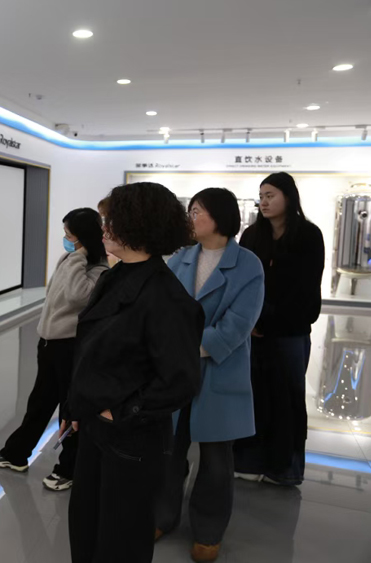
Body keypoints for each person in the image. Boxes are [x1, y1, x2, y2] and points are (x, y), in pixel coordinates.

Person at [62, 182, 204, 563]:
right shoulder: (113, 276)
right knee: (85, 527)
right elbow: (92, 350)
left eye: (112, 221)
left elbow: (181, 381)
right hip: (95, 428)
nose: (104, 229)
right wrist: (77, 404)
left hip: (131, 440)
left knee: (120, 541)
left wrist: (122, 411)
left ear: (140, 225)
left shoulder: (167, 297)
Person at [157, 188, 264, 563]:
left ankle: (208, 530)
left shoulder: (248, 264)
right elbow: (162, 310)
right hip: (176, 372)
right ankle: (162, 515)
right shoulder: (181, 258)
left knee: (217, 460)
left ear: (220, 215)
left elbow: (237, 326)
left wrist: (182, 345)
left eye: (196, 211)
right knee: (168, 450)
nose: (190, 218)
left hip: (220, 371)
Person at [0, 208, 109, 491]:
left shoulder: (99, 269)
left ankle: (68, 469)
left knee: (70, 410)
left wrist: (80, 256)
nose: (65, 240)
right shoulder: (68, 258)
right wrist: (74, 255)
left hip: (71, 348)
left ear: (83, 238)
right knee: (39, 404)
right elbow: (53, 293)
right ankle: (16, 454)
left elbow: (77, 296)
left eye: (69, 235)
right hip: (49, 344)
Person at [233, 172, 324, 486]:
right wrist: (251, 320)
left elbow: (306, 287)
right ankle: (248, 461)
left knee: (288, 398)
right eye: (261, 196)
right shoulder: (252, 235)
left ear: (288, 196)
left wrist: (269, 320)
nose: (264, 202)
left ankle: (285, 468)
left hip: (289, 331)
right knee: (254, 395)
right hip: (253, 330)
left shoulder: (308, 235)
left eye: (270, 195)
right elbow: (242, 282)